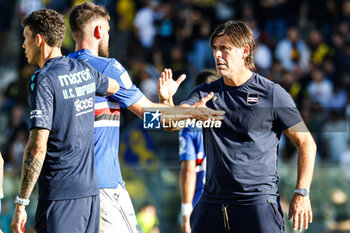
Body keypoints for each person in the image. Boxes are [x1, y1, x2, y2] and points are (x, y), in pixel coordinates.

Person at [68, 3, 225, 233]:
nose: (109, 38)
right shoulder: (108, 69)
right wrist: (188, 111)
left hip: (65, 191)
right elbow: (152, 118)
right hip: (104, 187)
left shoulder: (56, 72)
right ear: (100, 31)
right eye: (109, 32)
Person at [164, 21, 317, 233]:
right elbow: (170, 123)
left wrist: (302, 192)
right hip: (213, 203)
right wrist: (166, 101)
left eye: (224, 48)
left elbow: (306, 142)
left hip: (257, 204)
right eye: (215, 49)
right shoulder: (204, 93)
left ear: (245, 51)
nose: (217, 55)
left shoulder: (272, 94)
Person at [11, 9, 120, 233]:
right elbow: (113, 86)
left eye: (26, 37)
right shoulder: (83, 69)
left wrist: (22, 202)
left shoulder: (42, 79)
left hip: (60, 198)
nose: (23, 45)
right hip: (90, 196)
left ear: (39, 40)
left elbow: (37, 147)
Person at [178, 71, 217, 233]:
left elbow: (188, 170)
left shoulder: (189, 126)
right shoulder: (230, 120)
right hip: (230, 201)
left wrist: (186, 214)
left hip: (200, 205)